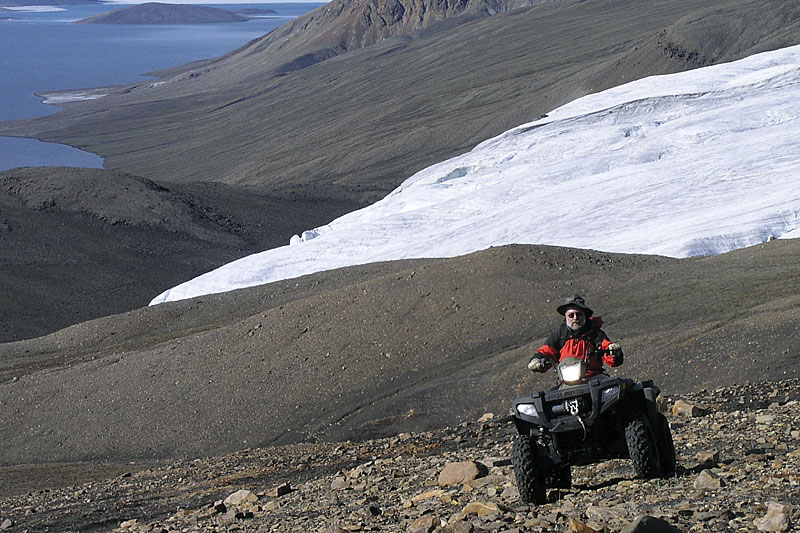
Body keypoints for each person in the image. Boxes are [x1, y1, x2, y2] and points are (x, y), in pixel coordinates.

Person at [528, 295, 623, 377]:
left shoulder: (596, 334)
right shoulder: (560, 334)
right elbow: (547, 351)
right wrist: (537, 361)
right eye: (571, 315)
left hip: (594, 377)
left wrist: (614, 352)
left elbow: (608, 350)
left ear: (585, 316)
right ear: (566, 317)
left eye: (578, 314)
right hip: (566, 381)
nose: (575, 318)